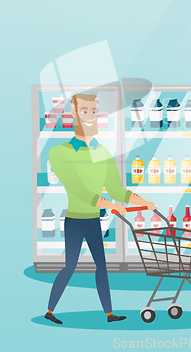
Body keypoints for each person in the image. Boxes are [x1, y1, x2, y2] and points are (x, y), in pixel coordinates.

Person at [44, 93, 156, 325]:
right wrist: (112, 206)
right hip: (75, 220)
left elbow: (117, 190)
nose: (91, 116)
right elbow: (80, 192)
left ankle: (109, 313)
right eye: (84, 111)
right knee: (70, 266)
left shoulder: (103, 152)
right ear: (73, 114)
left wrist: (143, 202)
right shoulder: (59, 152)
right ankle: (50, 310)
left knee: (102, 266)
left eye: (93, 111)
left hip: (94, 221)